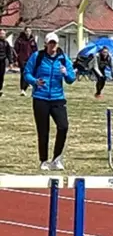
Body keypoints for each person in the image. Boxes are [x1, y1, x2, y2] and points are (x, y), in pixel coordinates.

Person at [24, 32, 76, 171]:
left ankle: (57, 159)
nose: (53, 46)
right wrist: (35, 81)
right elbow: (27, 73)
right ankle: (43, 161)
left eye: (55, 43)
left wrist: (66, 73)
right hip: (40, 98)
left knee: (63, 126)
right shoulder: (38, 57)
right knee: (43, 130)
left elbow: (71, 79)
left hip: (57, 98)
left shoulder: (63, 59)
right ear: (46, 44)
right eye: (50, 43)